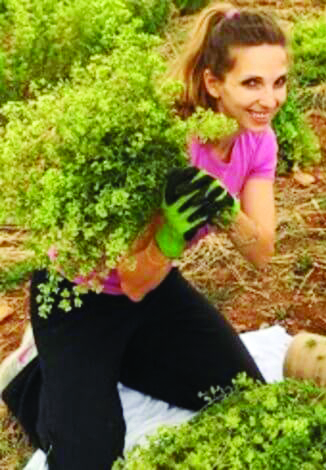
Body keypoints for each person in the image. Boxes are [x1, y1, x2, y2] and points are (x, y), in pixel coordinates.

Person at [0, 3, 287, 468]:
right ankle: (29, 375)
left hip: (153, 289)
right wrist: (171, 234)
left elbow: (262, 251)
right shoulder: (168, 142)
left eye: (279, 82)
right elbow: (131, 279)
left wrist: (226, 209)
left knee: (240, 394)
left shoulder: (259, 140)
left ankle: (118, 359)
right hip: (80, 293)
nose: (269, 100)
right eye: (252, 83)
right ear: (214, 83)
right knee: (88, 458)